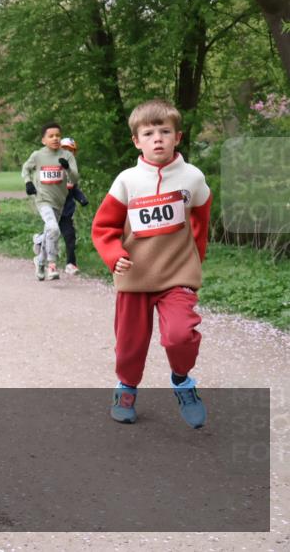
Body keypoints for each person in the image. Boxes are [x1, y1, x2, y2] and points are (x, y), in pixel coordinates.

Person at [91, 99, 212, 428]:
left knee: (180, 335)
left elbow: (201, 222)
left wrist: (193, 260)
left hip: (177, 274)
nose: (157, 138)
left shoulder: (193, 178)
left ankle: (182, 381)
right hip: (135, 276)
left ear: (178, 137)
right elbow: (103, 228)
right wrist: (114, 256)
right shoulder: (127, 181)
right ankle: (126, 389)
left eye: (165, 131)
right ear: (136, 141)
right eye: (148, 133)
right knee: (129, 344)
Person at [21, 121, 79, 281]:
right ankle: (52, 265)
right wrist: (28, 182)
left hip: (59, 201)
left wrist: (67, 168)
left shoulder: (67, 156)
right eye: (51, 136)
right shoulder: (38, 155)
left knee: (50, 232)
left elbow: (75, 178)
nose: (55, 138)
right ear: (43, 140)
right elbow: (25, 169)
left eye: (58, 135)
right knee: (53, 229)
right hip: (42, 199)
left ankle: (39, 261)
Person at [57, 137, 90, 275]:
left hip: (66, 212)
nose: (67, 153)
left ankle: (71, 264)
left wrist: (82, 199)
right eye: (64, 149)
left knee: (70, 237)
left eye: (70, 150)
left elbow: (74, 189)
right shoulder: (52, 168)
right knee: (51, 234)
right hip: (52, 210)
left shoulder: (72, 172)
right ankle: (40, 243)